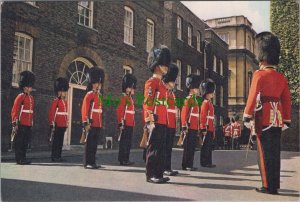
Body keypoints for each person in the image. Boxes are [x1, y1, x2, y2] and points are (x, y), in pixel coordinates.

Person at [243, 31, 291, 195]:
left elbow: (252, 96)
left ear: (261, 56)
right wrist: (286, 120)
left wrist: (246, 115)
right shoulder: (281, 77)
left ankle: (267, 185)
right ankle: (274, 185)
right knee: (275, 153)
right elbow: (286, 100)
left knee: (263, 153)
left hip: (262, 117)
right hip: (277, 119)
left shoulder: (259, 75)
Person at [143, 45, 170, 183]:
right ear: (157, 65)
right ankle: (150, 174)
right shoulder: (151, 82)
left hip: (163, 121)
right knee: (153, 148)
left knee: (161, 149)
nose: (166, 67)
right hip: (154, 121)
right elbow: (148, 102)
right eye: (163, 64)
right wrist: (150, 120)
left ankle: (158, 173)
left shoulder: (162, 85)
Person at [81, 66, 105, 169]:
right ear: (92, 83)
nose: (98, 86)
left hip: (97, 123)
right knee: (89, 144)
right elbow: (85, 109)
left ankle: (93, 162)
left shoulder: (99, 95)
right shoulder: (89, 95)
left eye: (99, 84)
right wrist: (86, 123)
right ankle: (87, 163)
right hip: (91, 123)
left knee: (94, 145)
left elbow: (99, 111)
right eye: (96, 83)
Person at [11, 71, 35, 165]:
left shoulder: (31, 98)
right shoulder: (20, 97)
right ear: (25, 87)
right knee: (19, 142)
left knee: (25, 142)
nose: (31, 88)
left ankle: (23, 158)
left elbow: (31, 111)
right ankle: (19, 159)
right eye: (29, 86)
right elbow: (15, 110)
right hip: (21, 123)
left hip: (28, 123)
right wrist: (14, 122)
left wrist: (31, 122)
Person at [181, 74, 201, 171]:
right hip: (189, 127)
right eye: (197, 88)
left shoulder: (195, 100)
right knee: (188, 147)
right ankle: (186, 165)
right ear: (192, 88)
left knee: (192, 147)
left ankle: (190, 164)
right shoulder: (188, 99)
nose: (198, 90)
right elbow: (184, 113)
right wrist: (184, 125)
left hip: (194, 127)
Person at [163, 63, 179, 176]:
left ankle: (168, 167)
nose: (174, 83)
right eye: (172, 81)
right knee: (164, 148)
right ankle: (164, 167)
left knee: (169, 148)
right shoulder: (164, 92)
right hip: (165, 123)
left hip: (172, 124)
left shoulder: (172, 94)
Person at [117, 73, 137, 165]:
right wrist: (121, 123)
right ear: (127, 88)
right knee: (124, 143)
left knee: (128, 143)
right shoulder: (124, 98)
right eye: (132, 88)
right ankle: (123, 159)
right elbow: (120, 110)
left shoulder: (130, 98)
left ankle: (126, 158)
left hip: (130, 123)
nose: (133, 90)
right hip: (125, 123)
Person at [48, 77, 69, 162]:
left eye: (65, 91)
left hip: (63, 124)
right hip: (57, 124)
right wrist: (52, 123)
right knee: (56, 142)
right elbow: (52, 113)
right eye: (63, 92)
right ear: (59, 92)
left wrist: (66, 123)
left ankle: (59, 156)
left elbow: (65, 114)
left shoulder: (65, 102)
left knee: (60, 142)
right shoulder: (56, 101)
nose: (64, 93)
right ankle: (54, 156)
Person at [200, 78, 216, 168]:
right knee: (205, 147)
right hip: (206, 128)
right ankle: (204, 162)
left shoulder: (209, 103)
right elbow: (203, 116)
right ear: (207, 92)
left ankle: (208, 162)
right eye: (211, 92)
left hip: (209, 127)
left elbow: (211, 118)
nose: (213, 94)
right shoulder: (205, 103)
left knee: (209, 146)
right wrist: (203, 128)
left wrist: (212, 130)